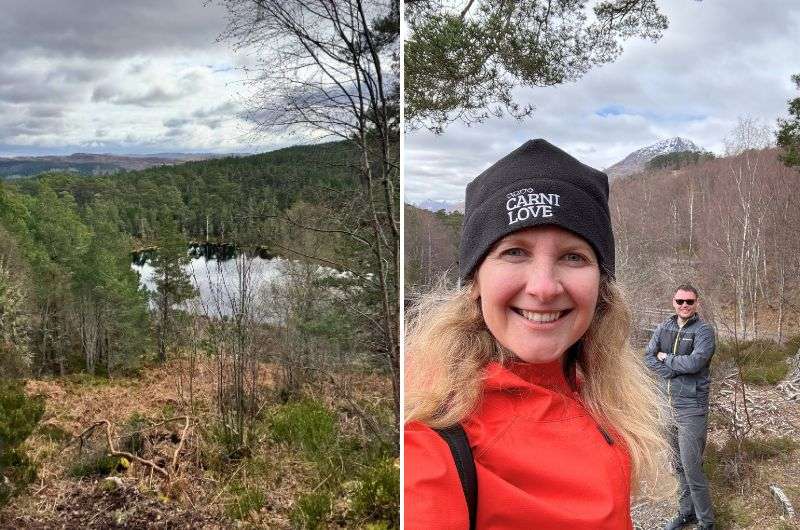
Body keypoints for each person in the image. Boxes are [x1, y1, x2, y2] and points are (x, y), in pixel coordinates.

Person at [404, 139, 674, 529]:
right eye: (515, 252)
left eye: (573, 256)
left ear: (601, 285)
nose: (544, 288)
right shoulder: (431, 426)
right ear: (476, 280)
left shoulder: (602, 392)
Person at [645, 285, 715, 530]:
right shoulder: (663, 327)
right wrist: (673, 370)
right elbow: (648, 356)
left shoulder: (704, 331)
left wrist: (667, 359)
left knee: (693, 468)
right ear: (673, 301)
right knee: (677, 467)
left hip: (691, 409)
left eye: (689, 301)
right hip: (668, 407)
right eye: (680, 301)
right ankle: (687, 513)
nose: (684, 305)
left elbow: (696, 362)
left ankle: (707, 522)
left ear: (697, 303)